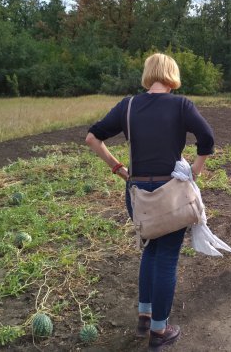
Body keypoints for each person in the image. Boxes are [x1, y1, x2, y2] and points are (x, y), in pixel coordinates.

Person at [85, 53, 214, 351]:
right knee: (166, 257)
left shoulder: (128, 105)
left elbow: (93, 137)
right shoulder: (182, 105)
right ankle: (159, 331)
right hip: (170, 194)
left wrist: (118, 168)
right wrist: (194, 170)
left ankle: (145, 316)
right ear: (172, 75)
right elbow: (207, 137)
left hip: (138, 194)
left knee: (151, 250)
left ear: (148, 74)